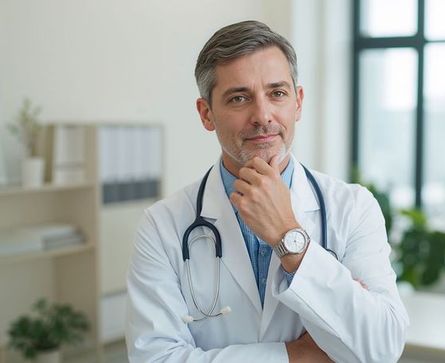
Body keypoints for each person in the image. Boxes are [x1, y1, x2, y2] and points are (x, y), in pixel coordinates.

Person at [126, 20, 409, 362]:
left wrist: (289, 238)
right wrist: (298, 356)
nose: (262, 116)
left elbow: (382, 348)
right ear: (206, 114)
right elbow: (154, 359)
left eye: (277, 93)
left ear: (298, 102)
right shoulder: (163, 226)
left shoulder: (352, 208)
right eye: (239, 98)